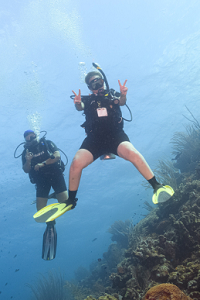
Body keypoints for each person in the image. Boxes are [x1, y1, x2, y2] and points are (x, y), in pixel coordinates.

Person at [67, 70, 174, 208]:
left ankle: (157, 186)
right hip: (94, 140)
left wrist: (123, 94)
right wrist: (77, 103)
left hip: (115, 136)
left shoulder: (113, 94)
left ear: (103, 81)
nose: (97, 85)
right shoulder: (87, 100)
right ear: (89, 88)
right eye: (92, 84)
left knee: (133, 153)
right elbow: (79, 106)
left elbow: (122, 102)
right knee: (76, 162)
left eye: (98, 81)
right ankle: (70, 201)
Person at [22, 130, 68, 260]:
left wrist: (42, 164)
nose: (30, 139)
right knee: (40, 212)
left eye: (32, 136)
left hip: (56, 175)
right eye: (27, 138)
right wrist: (28, 160)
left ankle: (52, 196)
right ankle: (51, 223)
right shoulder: (25, 152)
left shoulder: (47, 143)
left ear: (36, 135)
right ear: (25, 141)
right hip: (41, 181)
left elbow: (57, 156)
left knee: (65, 204)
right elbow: (26, 170)